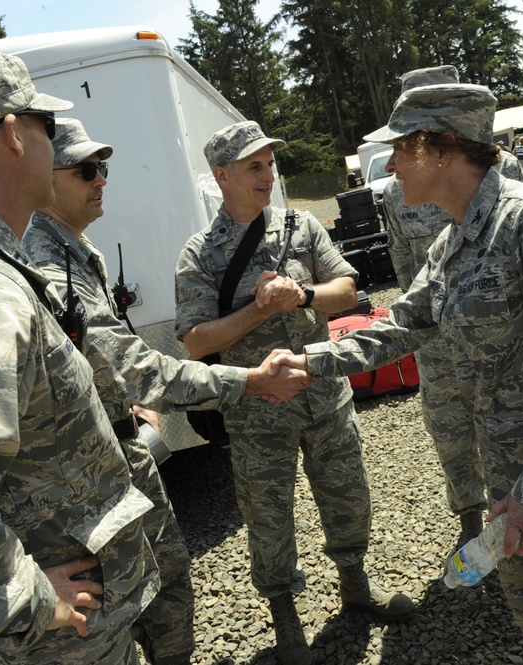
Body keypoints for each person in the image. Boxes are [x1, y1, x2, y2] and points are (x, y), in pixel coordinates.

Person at [0, 52, 309, 665]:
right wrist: (22, 598)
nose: (91, 173)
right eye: (46, 131)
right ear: (11, 133)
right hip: (63, 635)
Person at [271, 83, 523, 664]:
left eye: (399, 149)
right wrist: (308, 362)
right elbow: (402, 324)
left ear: (441, 149)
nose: (390, 165)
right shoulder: (453, 241)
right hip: (512, 488)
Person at [23, 118, 311, 663]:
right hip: (83, 479)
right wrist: (248, 381)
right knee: (119, 605)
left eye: (102, 167)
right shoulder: (47, 268)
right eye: (85, 169)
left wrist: (128, 406)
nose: (100, 179)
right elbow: (140, 364)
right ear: (45, 177)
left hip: (120, 447)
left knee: (170, 575)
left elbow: (100, 366)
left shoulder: (75, 252)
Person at [174, 121, 414, 664]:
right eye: (254, 166)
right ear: (223, 175)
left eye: (270, 163)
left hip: (325, 398)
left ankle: (354, 584)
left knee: (347, 497)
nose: (268, 175)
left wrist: (303, 295)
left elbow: (348, 291)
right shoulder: (201, 254)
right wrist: (259, 309)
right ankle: (285, 619)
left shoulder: (300, 225)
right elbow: (194, 340)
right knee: (269, 516)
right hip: (257, 413)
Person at [381, 64, 523, 554]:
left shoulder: (514, 194)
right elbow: (407, 269)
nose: (392, 163)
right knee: (450, 431)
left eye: (404, 143)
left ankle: (512, 520)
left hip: (498, 345)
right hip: (436, 336)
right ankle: (472, 522)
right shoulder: (399, 196)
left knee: (506, 429)